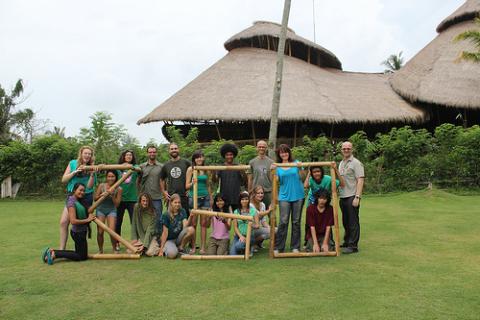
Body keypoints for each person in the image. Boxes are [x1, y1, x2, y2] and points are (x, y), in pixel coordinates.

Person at [42, 183, 96, 264]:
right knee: (81, 257)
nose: (82, 192)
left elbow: (89, 210)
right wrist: (87, 220)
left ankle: (53, 253)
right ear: (74, 190)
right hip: (78, 233)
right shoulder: (71, 202)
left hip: (81, 232)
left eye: (84, 191)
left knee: (81, 254)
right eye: (80, 190)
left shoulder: (80, 200)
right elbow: (73, 221)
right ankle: (54, 253)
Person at [59, 146, 96, 250]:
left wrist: (93, 174)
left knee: (80, 225)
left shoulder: (92, 166)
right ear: (81, 153)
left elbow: (89, 186)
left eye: (89, 154)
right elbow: (64, 179)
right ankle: (62, 249)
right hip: (72, 196)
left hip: (86, 197)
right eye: (86, 153)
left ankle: (80, 250)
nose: (87, 155)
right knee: (63, 222)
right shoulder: (73, 163)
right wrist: (75, 172)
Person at [273, 144, 305, 253]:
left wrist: (300, 167)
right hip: (284, 197)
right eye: (282, 152)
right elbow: (275, 181)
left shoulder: (296, 163)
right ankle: (278, 247)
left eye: (286, 152)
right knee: (283, 221)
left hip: (298, 196)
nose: (284, 154)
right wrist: (271, 171)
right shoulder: (277, 166)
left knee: (296, 222)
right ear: (279, 154)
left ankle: (295, 247)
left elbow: (302, 177)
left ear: (289, 153)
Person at [303, 165, 344, 249]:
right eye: (314, 172)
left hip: (325, 202)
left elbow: (342, 184)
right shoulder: (311, 179)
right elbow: (305, 186)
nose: (316, 173)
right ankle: (308, 241)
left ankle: (329, 240)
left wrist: (335, 169)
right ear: (311, 173)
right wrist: (308, 174)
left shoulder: (328, 179)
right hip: (312, 202)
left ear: (321, 172)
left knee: (327, 220)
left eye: (318, 171)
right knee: (310, 222)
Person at [338, 141, 365, 254]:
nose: (346, 150)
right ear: (341, 150)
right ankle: (347, 241)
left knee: (353, 221)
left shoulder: (356, 163)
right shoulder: (341, 163)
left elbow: (360, 180)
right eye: (344, 148)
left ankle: (353, 246)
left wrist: (357, 197)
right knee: (345, 221)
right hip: (343, 196)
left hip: (352, 196)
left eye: (348, 148)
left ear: (352, 149)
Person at [185, 150, 212, 254]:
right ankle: (193, 247)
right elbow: (186, 186)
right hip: (194, 198)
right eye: (197, 157)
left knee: (204, 224)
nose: (199, 159)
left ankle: (203, 248)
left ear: (203, 158)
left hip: (205, 198)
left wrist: (210, 198)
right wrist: (192, 183)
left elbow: (208, 185)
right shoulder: (190, 169)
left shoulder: (206, 170)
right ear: (194, 159)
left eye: (201, 157)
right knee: (194, 224)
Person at [154, 194, 195, 259]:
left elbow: (185, 226)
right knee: (172, 255)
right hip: (169, 240)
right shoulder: (166, 215)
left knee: (191, 229)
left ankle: (181, 247)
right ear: (171, 203)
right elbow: (165, 233)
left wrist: (191, 216)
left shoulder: (182, 211)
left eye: (179, 202)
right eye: (175, 202)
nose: (177, 204)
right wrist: (161, 249)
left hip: (178, 237)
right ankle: (167, 248)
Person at [115, 149, 141, 251]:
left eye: (130, 155)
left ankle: (136, 242)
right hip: (120, 199)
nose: (129, 156)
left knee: (133, 222)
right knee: (118, 222)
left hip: (132, 199)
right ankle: (117, 243)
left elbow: (140, 170)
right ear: (123, 157)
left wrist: (132, 167)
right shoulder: (118, 169)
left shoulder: (135, 168)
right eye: (127, 155)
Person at [94, 170, 122, 253]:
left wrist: (112, 195)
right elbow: (95, 198)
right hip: (101, 210)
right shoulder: (101, 186)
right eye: (109, 176)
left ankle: (114, 249)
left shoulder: (119, 189)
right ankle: (100, 250)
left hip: (111, 210)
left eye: (112, 176)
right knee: (100, 231)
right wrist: (101, 195)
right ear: (106, 177)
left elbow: (117, 204)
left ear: (116, 177)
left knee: (112, 231)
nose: (110, 178)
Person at [160, 143, 191, 216]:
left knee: (185, 219)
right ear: (169, 151)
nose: (174, 150)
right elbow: (161, 179)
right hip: (171, 197)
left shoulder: (186, 163)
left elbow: (195, 174)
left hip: (184, 196)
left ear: (178, 149)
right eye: (172, 149)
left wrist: (191, 188)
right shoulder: (166, 165)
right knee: (171, 220)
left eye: (175, 148)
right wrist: (164, 191)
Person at [215, 143, 246, 212]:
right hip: (224, 197)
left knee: (237, 219)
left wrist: (242, 171)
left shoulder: (238, 167)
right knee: (225, 219)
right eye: (227, 155)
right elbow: (215, 181)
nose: (229, 156)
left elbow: (244, 181)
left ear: (234, 155)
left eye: (231, 154)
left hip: (236, 197)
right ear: (224, 156)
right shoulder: (220, 167)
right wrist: (214, 173)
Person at [248, 140, 274, 208]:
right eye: (259, 147)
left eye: (263, 147)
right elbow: (250, 179)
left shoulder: (271, 162)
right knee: (255, 214)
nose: (261, 148)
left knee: (271, 212)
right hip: (255, 192)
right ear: (256, 148)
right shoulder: (252, 162)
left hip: (268, 191)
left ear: (266, 148)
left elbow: (273, 179)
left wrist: (274, 193)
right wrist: (249, 191)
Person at [230, 191, 258, 256]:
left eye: (246, 199)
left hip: (249, 235)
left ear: (248, 200)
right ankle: (244, 247)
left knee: (238, 246)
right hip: (239, 235)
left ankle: (250, 247)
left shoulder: (253, 211)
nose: (244, 201)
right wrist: (241, 236)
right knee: (232, 254)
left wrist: (251, 224)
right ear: (240, 201)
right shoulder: (236, 211)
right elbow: (235, 227)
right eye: (242, 199)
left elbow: (257, 226)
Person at [138, 145, 163, 217]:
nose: (152, 154)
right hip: (144, 198)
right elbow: (138, 181)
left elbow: (165, 181)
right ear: (147, 153)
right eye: (150, 152)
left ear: (156, 153)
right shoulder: (141, 167)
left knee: (158, 220)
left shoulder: (161, 167)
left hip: (157, 198)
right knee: (145, 219)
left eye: (154, 152)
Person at [250, 185, 275, 251]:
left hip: (259, 228)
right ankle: (252, 243)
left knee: (274, 230)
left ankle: (257, 244)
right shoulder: (250, 205)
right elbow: (258, 215)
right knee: (268, 233)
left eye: (262, 193)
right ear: (254, 194)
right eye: (258, 193)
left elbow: (263, 221)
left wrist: (269, 227)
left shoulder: (263, 204)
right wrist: (269, 210)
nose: (260, 195)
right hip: (251, 229)